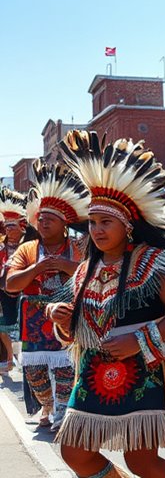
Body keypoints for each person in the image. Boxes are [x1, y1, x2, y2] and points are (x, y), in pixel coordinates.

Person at [48, 130, 165, 478]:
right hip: (92, 372)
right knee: (74, 451)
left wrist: (137, 341)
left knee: (141, 461)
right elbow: (78, 333)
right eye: (92, 222)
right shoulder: (83, 272)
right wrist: (63, 320)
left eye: (106, 222)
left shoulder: (152, 262)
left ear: (127, 224)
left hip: (143, 369)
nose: (96, 230)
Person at [5, 161, 87, 433]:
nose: (42, 223)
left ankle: (63, 412)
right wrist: (37, 268)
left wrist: (67, 267)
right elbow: (10, 284)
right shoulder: (29, 249)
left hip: (66, 316)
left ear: (64, 224)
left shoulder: (76, 247)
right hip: (34, 319)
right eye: (40, 219)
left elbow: (92, 276)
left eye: (49, 219)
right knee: (34, 372)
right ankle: (47, 404)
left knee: (65, 369)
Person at [0, 188, 30, 377]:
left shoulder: (30, 246)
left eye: (12, 226)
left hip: (26, 292)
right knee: (1, 327)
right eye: (7, 226)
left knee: (28, 330)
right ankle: (9, 359)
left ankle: (26, 359)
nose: (9, 230)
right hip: (5, 292)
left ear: (22, 227)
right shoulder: (2, 248)